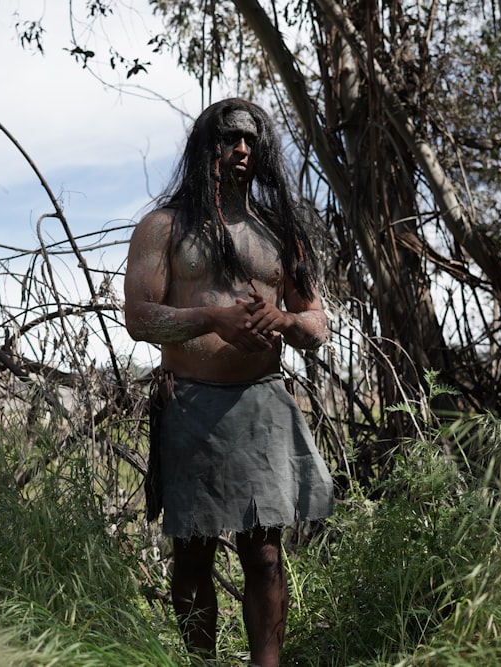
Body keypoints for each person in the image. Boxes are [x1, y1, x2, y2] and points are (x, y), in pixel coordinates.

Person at [124, 97, 334, 667]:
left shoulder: (278, 233)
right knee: (191, 557)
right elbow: (139, 317)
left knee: (264, 555)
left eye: (250, 141)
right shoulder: (165, 227)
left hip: (262, 406)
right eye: (228, 139)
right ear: (204, 148)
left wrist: (287, 321)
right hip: (189, 405)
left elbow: (317, 323)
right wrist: (211, 317)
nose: (241, 149)